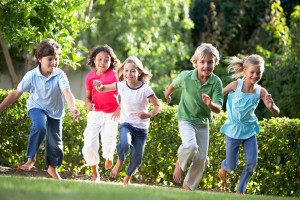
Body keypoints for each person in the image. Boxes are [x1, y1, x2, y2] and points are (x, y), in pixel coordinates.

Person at [0, 39, 79, 179]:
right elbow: (16, 93)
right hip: (37, 107)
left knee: (56, 144)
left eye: (57, 58)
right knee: (39, 127)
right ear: (39, 59)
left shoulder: (59, 74)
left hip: (55, 112)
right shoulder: (31, 75)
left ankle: (52, 168)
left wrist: (72, 108)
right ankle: (30, 159)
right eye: (50, 59)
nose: (54, 62)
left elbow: (67, 92)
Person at [164, 43, 223, 191]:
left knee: (202, 159)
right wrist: (167, 94)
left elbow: (218, 108)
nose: (206, 65)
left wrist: (210, 104)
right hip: (186, 119)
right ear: (195, 62)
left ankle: (188, 187)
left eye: (210, 62)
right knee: (190, 146)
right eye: (202, 62)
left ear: (215, 63)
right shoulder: (186, 76)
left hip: (203, 123)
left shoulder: (216, 82)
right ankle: (180, 163)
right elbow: (173, 85)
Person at [94, 56, 162, 185]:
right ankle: (120, 161)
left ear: (139, 72)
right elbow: (103, 88)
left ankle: (127, 178)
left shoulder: (145, 89)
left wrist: (148, 115)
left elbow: (158, 105)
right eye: (126, 71)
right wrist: (99, 86)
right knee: (124, 144)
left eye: (132, 71)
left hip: (141, 128)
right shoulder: (121, 85)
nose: (128, 74)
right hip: (126, 124)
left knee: (137, 159)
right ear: (122, 72)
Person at [218, 54, 280, 195]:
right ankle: (224, 166)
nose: (255, 75)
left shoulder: (261, 91)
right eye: (252, 72)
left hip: (249, 131)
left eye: (258, 72)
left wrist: (271, 107)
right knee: (232, 165)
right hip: (233, 130)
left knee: (252, 162)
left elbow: (276, 112)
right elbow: (219, 94)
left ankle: (240, 190)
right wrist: (210, 102)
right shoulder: (235, 85)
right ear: (244, 71)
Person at [82, 45, 120, 182]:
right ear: (94, 59)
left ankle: (109, 156)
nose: (102, 63)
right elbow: (87, 97)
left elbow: (125, 92)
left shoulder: (115, 75)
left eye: (106, 60)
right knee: (89, 143)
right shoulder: (90, 77)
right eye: (99, 59)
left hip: (111, 114)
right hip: (95, 113)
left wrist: (119, 108)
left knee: (109, 140)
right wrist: (87, 103)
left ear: (111, 62)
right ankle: (95, 172)